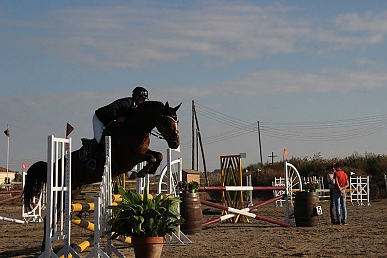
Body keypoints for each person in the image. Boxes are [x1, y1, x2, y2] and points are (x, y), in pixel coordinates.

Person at [86, 86, 149, 170]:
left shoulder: (134, 107)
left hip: (112, 121)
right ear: (137, 97)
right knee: (99, 137)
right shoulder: (127, 102)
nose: (143, 101)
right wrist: (116, 117)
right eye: (142, 99)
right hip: (100, 118)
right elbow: (112, 107)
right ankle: (91, 160)